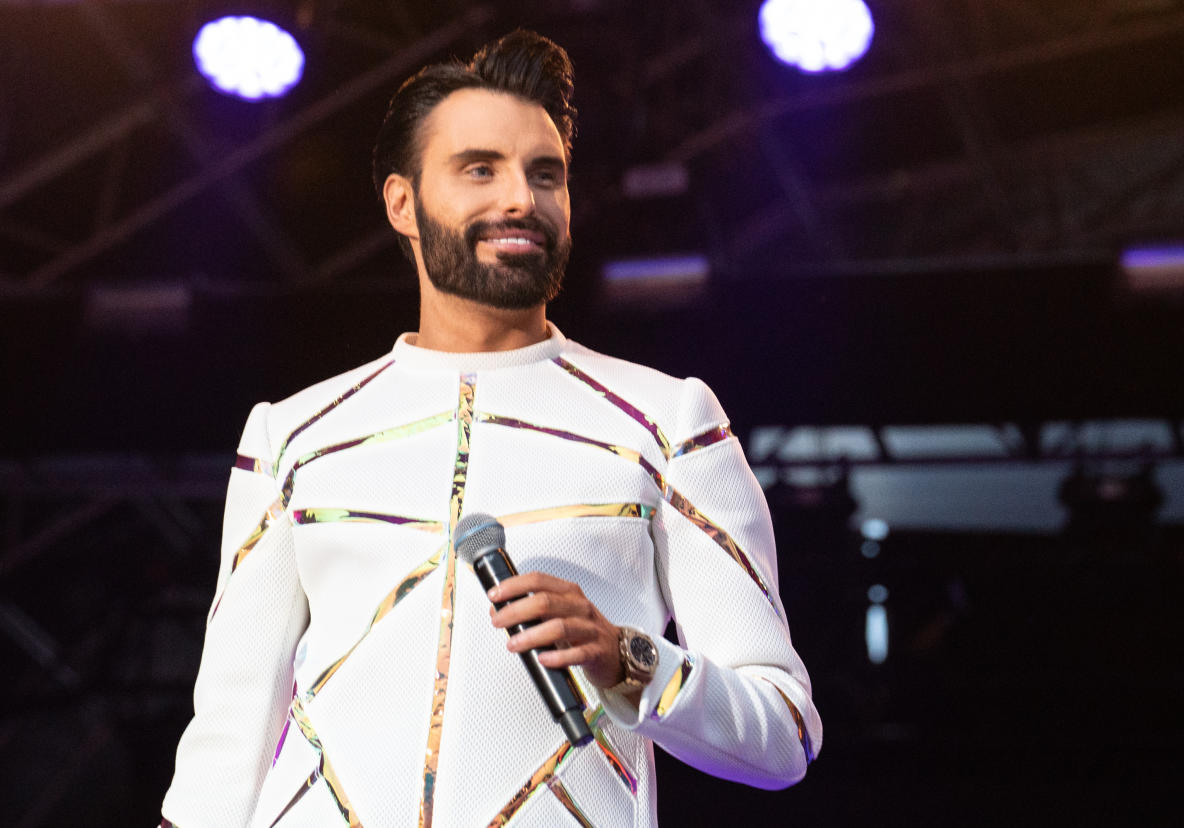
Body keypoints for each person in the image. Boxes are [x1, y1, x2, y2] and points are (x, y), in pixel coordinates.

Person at [160, 29, 821, 828]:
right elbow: (228, 738)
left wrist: (628, 658)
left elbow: (784, 733)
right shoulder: (290, 436)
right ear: (402, 203)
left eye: (547, 175)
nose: (521, 199)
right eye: (481, 169)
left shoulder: (668, 421)